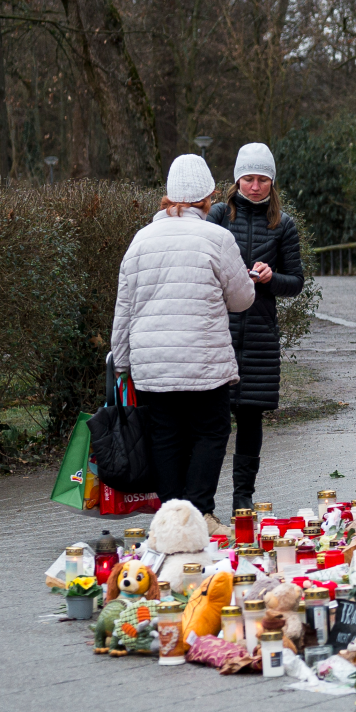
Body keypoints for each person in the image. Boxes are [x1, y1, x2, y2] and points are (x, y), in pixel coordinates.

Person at [112, 154, 254, 533]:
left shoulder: (141, 240)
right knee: (211, 431)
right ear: (208, 196)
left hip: (153, 365)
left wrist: (122, 362)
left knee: (165, 436)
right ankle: (200, 512)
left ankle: (172, 517)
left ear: (168, 196)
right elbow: (242, 299)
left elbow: (123, 308)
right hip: (203, 361)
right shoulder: (217, 238)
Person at [208, 142, 304, 512]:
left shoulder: (283, 224)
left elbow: (295, 282)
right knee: (214, 421)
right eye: (248, 178)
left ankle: (242, 498)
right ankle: (203, 500)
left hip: (261, 334)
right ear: (236, 180)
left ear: (272, 182)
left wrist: (270, 277)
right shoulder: (218, 216)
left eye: (262, 179)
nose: (254, 186)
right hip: (219, 332)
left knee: (250, 418)